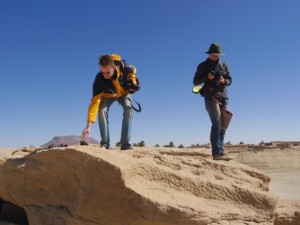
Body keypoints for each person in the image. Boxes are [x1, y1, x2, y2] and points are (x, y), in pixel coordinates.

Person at [82, 54, 140, 150]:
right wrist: (88, 126)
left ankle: (125, 144)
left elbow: (132, 73)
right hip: (108, 96)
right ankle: (105, 143)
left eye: (107, 72)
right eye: (102, 72)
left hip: (123, 93)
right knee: (101, 110)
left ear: (114, 67)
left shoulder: (125, 68)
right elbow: (94, 103)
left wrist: (133, 83)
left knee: (128, 109)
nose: (104, 75)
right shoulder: (99, 80)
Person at [193, 43, 233, 160]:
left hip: (223, 96)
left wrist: (224, 81)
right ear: (209, 54)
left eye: (217, 55)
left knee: (224, 124)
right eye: (213, 54)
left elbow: (230, 80)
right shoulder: (202, 66)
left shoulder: (223, 65)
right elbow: (195, 82)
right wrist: (207, 77)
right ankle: (216, 152)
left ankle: (220, 149)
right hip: (210, 96)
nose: (215, 56)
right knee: (217, 123)